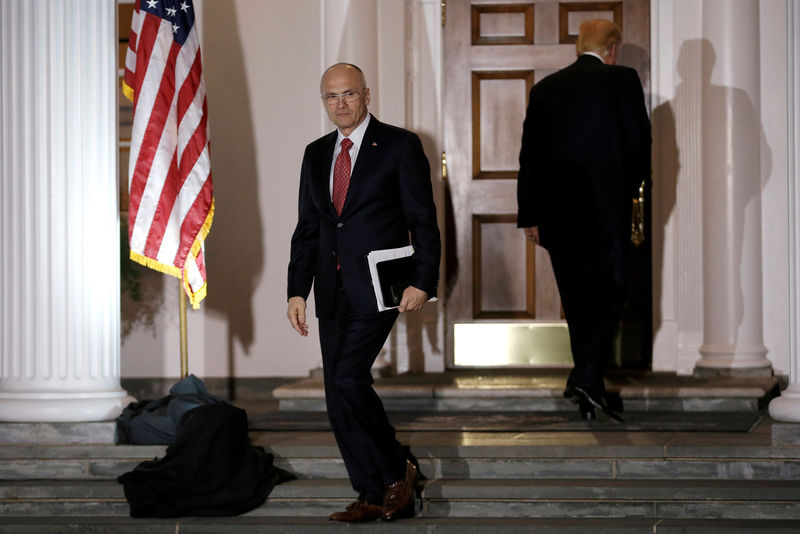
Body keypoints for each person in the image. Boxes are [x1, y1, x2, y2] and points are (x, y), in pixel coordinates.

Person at [287, 63, 441, 522]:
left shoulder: (399, 144)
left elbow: (423, 219)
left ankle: (396, 469)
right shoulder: (316, 154)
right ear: (323, 101)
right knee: (337, 393)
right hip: (331, 287)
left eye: (349, 94)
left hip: (379, 285)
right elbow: (309, 228)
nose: (340, 104)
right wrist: (298, 291)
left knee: (347, 378)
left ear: (366, 95)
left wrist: (422, 280)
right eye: (331, 97)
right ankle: (371, 490)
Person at [516, 19, 651, 421]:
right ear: (612, 48)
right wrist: (627, 186)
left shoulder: (545, 89)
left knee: (576, 298)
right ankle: (588, 376)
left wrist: (531, 216)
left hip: (557, 216)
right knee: (611, 290)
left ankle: (587, 379)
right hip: (606, 210)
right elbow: (639, 145)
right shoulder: (623, 80)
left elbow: (530, 158)